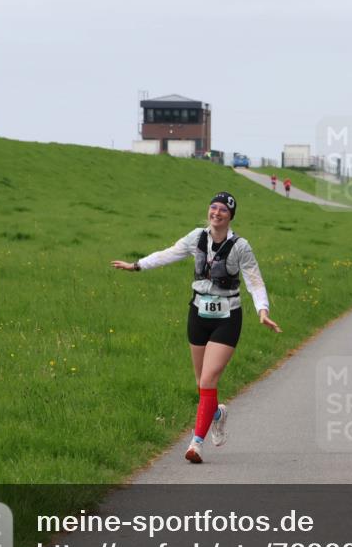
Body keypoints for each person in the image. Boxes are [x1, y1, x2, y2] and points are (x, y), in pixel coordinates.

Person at [111, 192, 282, 464]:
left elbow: (255, 281)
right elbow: (168, 253)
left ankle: (196, 444)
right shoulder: (196, 237)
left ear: (230, 216)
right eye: (213, 208)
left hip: (228, 317)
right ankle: (217, 414)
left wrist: (263, 310)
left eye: (223, 210)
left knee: (207, 381)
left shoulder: (240, 246)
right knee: (201, 383)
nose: (216, 213)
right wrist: (137, 266)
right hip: (198, 314)